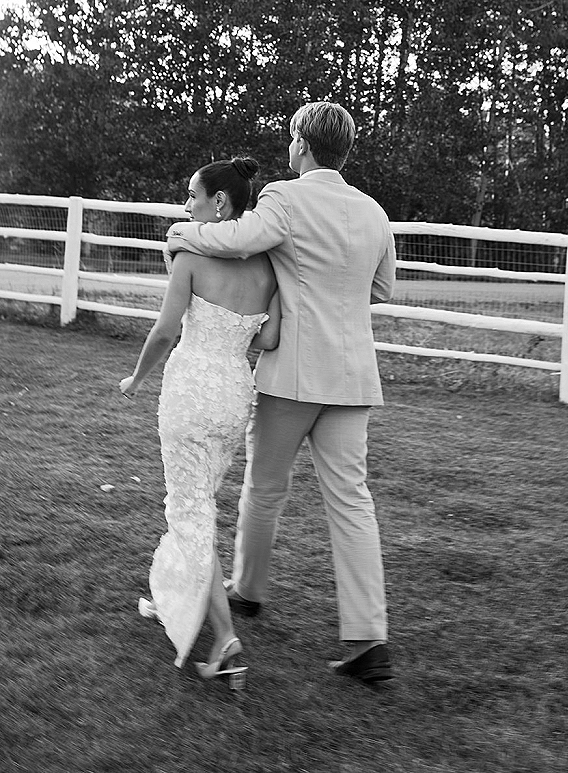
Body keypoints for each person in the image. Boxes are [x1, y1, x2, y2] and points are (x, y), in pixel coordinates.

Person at [164, 102, 397, 684]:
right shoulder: (373, 212)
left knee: (263, 488)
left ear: (301, 144)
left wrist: (182, 232)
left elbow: (239, 239)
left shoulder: (284, 199)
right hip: (352, 378)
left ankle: (248, 590)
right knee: (352, 500)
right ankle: (369, 639)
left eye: (291, 136)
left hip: (292, 374)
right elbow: (383, 288)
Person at [119, 157, 280, 684]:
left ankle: (226, 637)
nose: (186, 206)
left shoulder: (188, 256)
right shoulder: (267, 269)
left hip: (189, 393)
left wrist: (136, 379)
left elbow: (166, 331)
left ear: (220, 203)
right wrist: (232, 340)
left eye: (193, 196)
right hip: (234, 396)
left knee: (190, 513)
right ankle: (176, 597)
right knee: (196, 506)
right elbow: (271, 339)